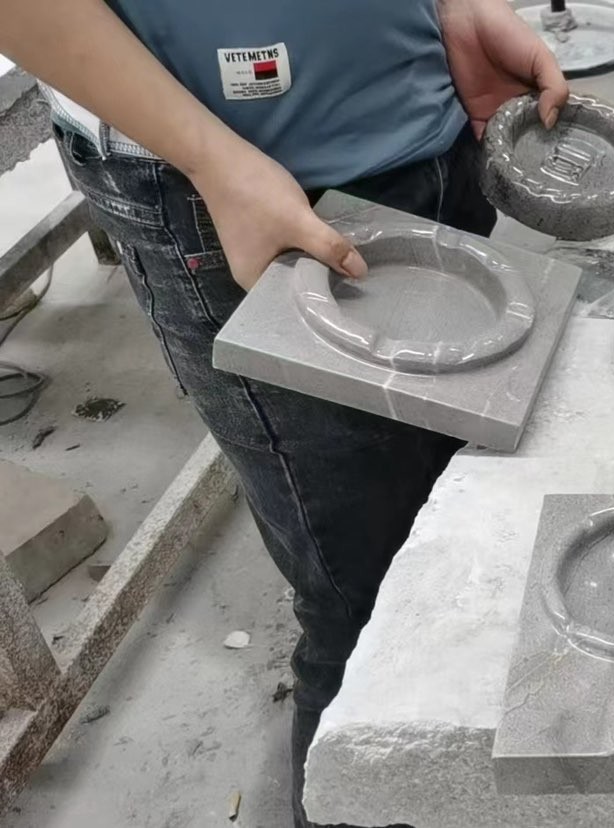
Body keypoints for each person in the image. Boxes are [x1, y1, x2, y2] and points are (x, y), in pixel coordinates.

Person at [0, 2, 567, 825]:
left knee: (463, 531)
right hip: (230, 187)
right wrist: (210, 157)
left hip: (428, 122)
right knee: (369, 603)